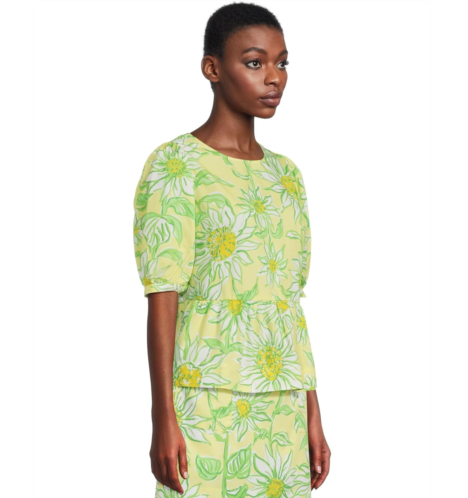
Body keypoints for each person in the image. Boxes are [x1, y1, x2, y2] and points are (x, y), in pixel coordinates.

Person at [132, 3, 331, 496]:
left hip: (283, 407)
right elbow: (163, 295)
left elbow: (288, 302)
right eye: (255, 62)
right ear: (212, 68)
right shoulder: (175, 165)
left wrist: (312, 411)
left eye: (282, 63)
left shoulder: (287, 176)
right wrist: (163, 417)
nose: (274, 78)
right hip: (206, 401)